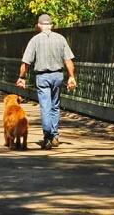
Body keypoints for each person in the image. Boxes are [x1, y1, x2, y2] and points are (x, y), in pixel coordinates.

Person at [16, 13, 76, 150]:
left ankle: (47, 136)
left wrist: (22, 77)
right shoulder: (61, 39)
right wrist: (71, 76)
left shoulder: (35, 40)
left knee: (45, 107)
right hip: (58, 76)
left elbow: (26, 63)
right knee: (55, 105)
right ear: (51, 25)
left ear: (39, 26)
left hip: (42, 77)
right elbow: (68, 60)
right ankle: (55, 136)